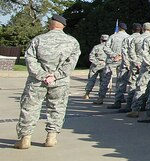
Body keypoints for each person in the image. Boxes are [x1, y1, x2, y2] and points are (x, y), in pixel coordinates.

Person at [15, 15, 81, 149]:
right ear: (63, 26)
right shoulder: (72, 42)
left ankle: (25, 138)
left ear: (50, 24)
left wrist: (42, 75)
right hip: (60, 82)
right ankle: (51, 137)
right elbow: (71, 63)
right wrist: (56, 75)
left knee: (30, 108)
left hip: (37, 81)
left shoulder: (38, 39)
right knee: (57, 108)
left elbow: (30, 59)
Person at [127, 22, 150, 117]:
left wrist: (145, 63)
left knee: (141, 87)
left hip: (146, 66)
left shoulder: (147, 39)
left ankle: (136, 109)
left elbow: (143, 53)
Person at [96, 22, 129, 108]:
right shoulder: (128, 37)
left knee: (106, 79)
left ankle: (100, 98)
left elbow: (105, 47)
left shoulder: (113, 36)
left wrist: (114, 55)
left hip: (112, 60)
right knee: (121, 80)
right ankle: (120, 97)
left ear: (118, 28)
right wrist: (122, 56)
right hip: (124, 60)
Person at [84, 34, 109, 100]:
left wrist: (97, 62)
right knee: (103, 81)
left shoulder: (96, 47)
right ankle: (101, 96)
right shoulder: (109, 48)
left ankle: (87, 94)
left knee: (91, 80)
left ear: (101, 39)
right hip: (105, 65)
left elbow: (91, 57)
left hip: (95, 65)